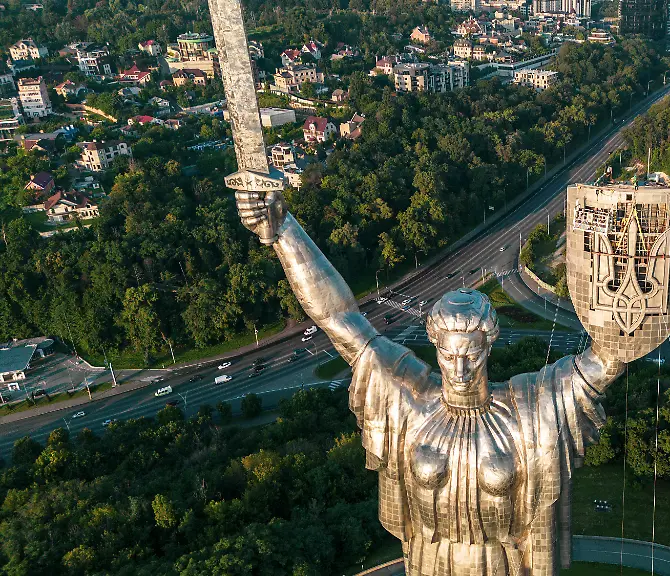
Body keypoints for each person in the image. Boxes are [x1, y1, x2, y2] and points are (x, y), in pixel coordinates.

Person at [236, 191, 624, 576]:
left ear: (488, 346)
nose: (460, 368)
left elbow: (603, 363)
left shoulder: (529, 411)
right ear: (436, 348)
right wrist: (285, 231)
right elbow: (339, 319)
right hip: (428, 560)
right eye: (450, 356)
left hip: (501, 564)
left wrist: (628, 285)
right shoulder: (409, 401)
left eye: (471, 355)